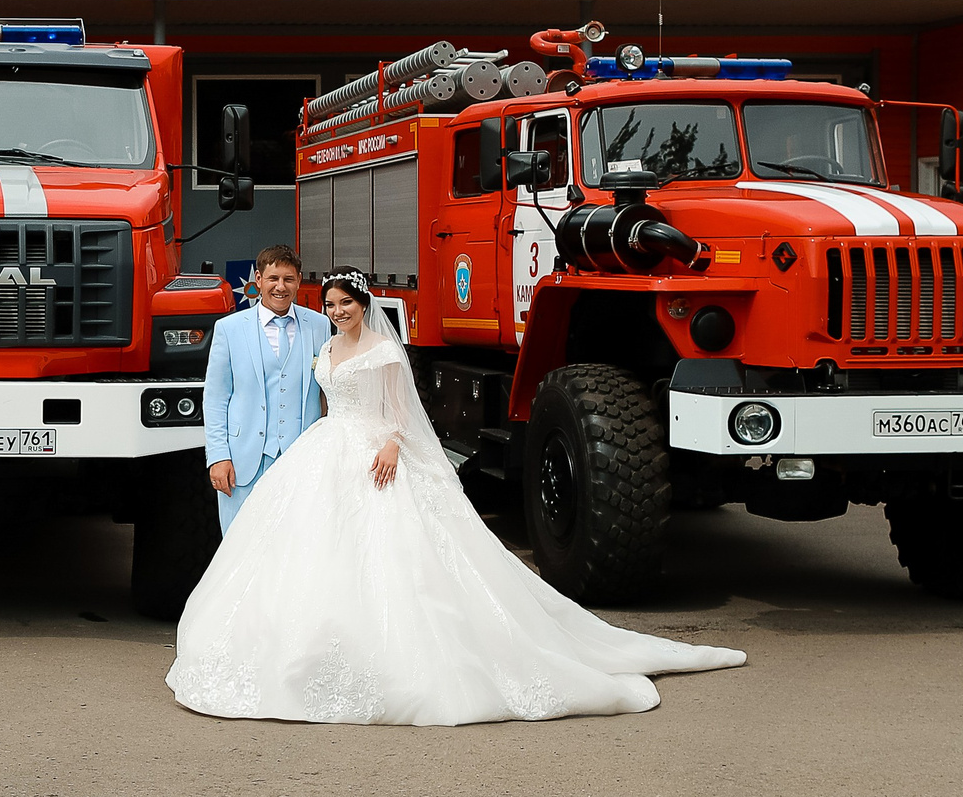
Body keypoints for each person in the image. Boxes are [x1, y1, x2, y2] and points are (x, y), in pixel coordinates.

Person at [167, 266, 746, 725]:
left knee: (391, 556)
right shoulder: (325, 344)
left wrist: (391, 443)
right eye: (332, 303)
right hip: (325, 449)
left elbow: (398, 408)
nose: (337, 310)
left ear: (364, 305)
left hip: (373, 449)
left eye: (346, 303)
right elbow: (317, 398)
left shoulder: (384, 351)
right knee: (312, 552)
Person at [200, 246, 326, 535]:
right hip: (243, 464)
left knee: (294, 551)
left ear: (299, 280)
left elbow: (328, 392)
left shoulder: (319, 326)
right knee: (239, 550)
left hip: (301, 462)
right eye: (273, 278)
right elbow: (216, 398)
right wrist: (218, 456)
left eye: (289, 279)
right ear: (258, 279)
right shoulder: (229, 329)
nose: (280, 287)